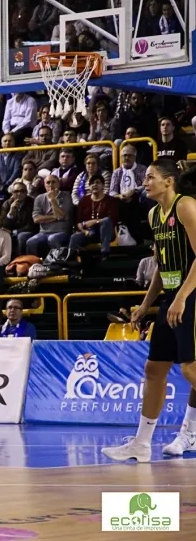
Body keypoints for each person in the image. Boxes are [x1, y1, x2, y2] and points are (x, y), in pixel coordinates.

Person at [103, 161, 196, 462]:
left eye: (151, 177)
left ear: (169, 181)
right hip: (173, 296)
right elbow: (161, 266)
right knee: (154, 369)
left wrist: (182, 297)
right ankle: (141, 444)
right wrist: (145, 304)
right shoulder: (154, 214)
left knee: (190, 369)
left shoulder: (186, 207)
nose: (145, 182)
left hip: (191, 293)